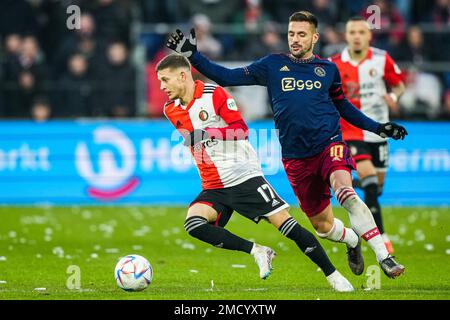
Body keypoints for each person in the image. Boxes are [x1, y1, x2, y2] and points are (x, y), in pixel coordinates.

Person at [166, 11, 407, 279]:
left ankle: (385, 256)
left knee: (345, 191)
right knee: (323, 227)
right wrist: (194, 56)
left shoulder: (328, 70)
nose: (295, 39)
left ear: (314, 37)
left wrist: (377, 127)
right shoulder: (272, 65)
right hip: (296, 158)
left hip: (330, 144)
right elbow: (228, 77)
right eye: (291, 33)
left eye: (301, 34)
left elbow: (343, 107)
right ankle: (352, 240)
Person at [156, 53, 354, 292]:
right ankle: (258, 251)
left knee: (287, 227)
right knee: (194, 224)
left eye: (165, 80)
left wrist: (208, 133)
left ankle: (334, 276)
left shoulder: (213, 94)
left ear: (182, 75)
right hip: (213, 184)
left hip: (244, 176)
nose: (162, 87)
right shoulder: (170, 110)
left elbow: (241, 131)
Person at [330, 17, 406, 254]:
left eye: (361, 32)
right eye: (352, 31)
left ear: (369, 35)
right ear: (346, 35)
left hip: (378, 131)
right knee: (371, 181)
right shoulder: (334, 64)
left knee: (376, 187)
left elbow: (399, 84)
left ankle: (342, 182)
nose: (356, 36)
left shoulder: (382, 59)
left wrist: (393, 98)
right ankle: (382, 238)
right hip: (351, 131)